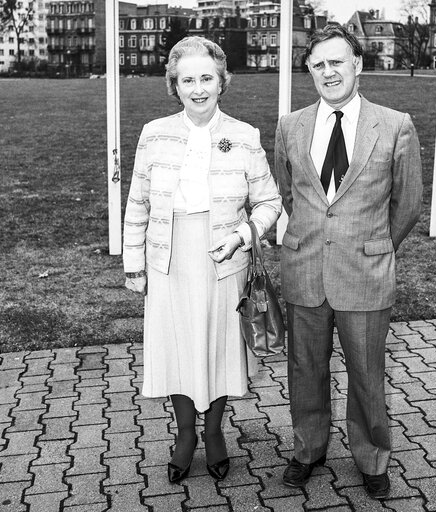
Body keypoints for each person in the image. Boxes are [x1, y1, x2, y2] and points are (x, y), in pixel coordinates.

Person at [123, 36, 281, 484]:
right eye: (187, 79)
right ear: (174, 84)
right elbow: (137, 202)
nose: (198, 88)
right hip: (169, 261)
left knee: (216, 349)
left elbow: (269, 202)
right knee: (178, 350)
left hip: (222, 259)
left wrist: (242, 235)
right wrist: (134, 262)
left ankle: (214, 434)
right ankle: (185, 435)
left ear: (221, 81)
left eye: (206, 78)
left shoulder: (244, 135)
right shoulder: (153, 133)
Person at [274, 23, 423, 498]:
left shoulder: (395, 124)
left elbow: (409, 203)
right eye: (318, 64)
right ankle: (308, 449)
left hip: (366, 273)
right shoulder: (290, 125)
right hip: (305, 270)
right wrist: (314, 237)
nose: (328, 71)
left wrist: (376, 244)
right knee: (305, 370)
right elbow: (288, 194)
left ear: (357, 64)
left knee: (366, 374)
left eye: (337, 62)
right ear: (309, 71)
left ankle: (373, 457)